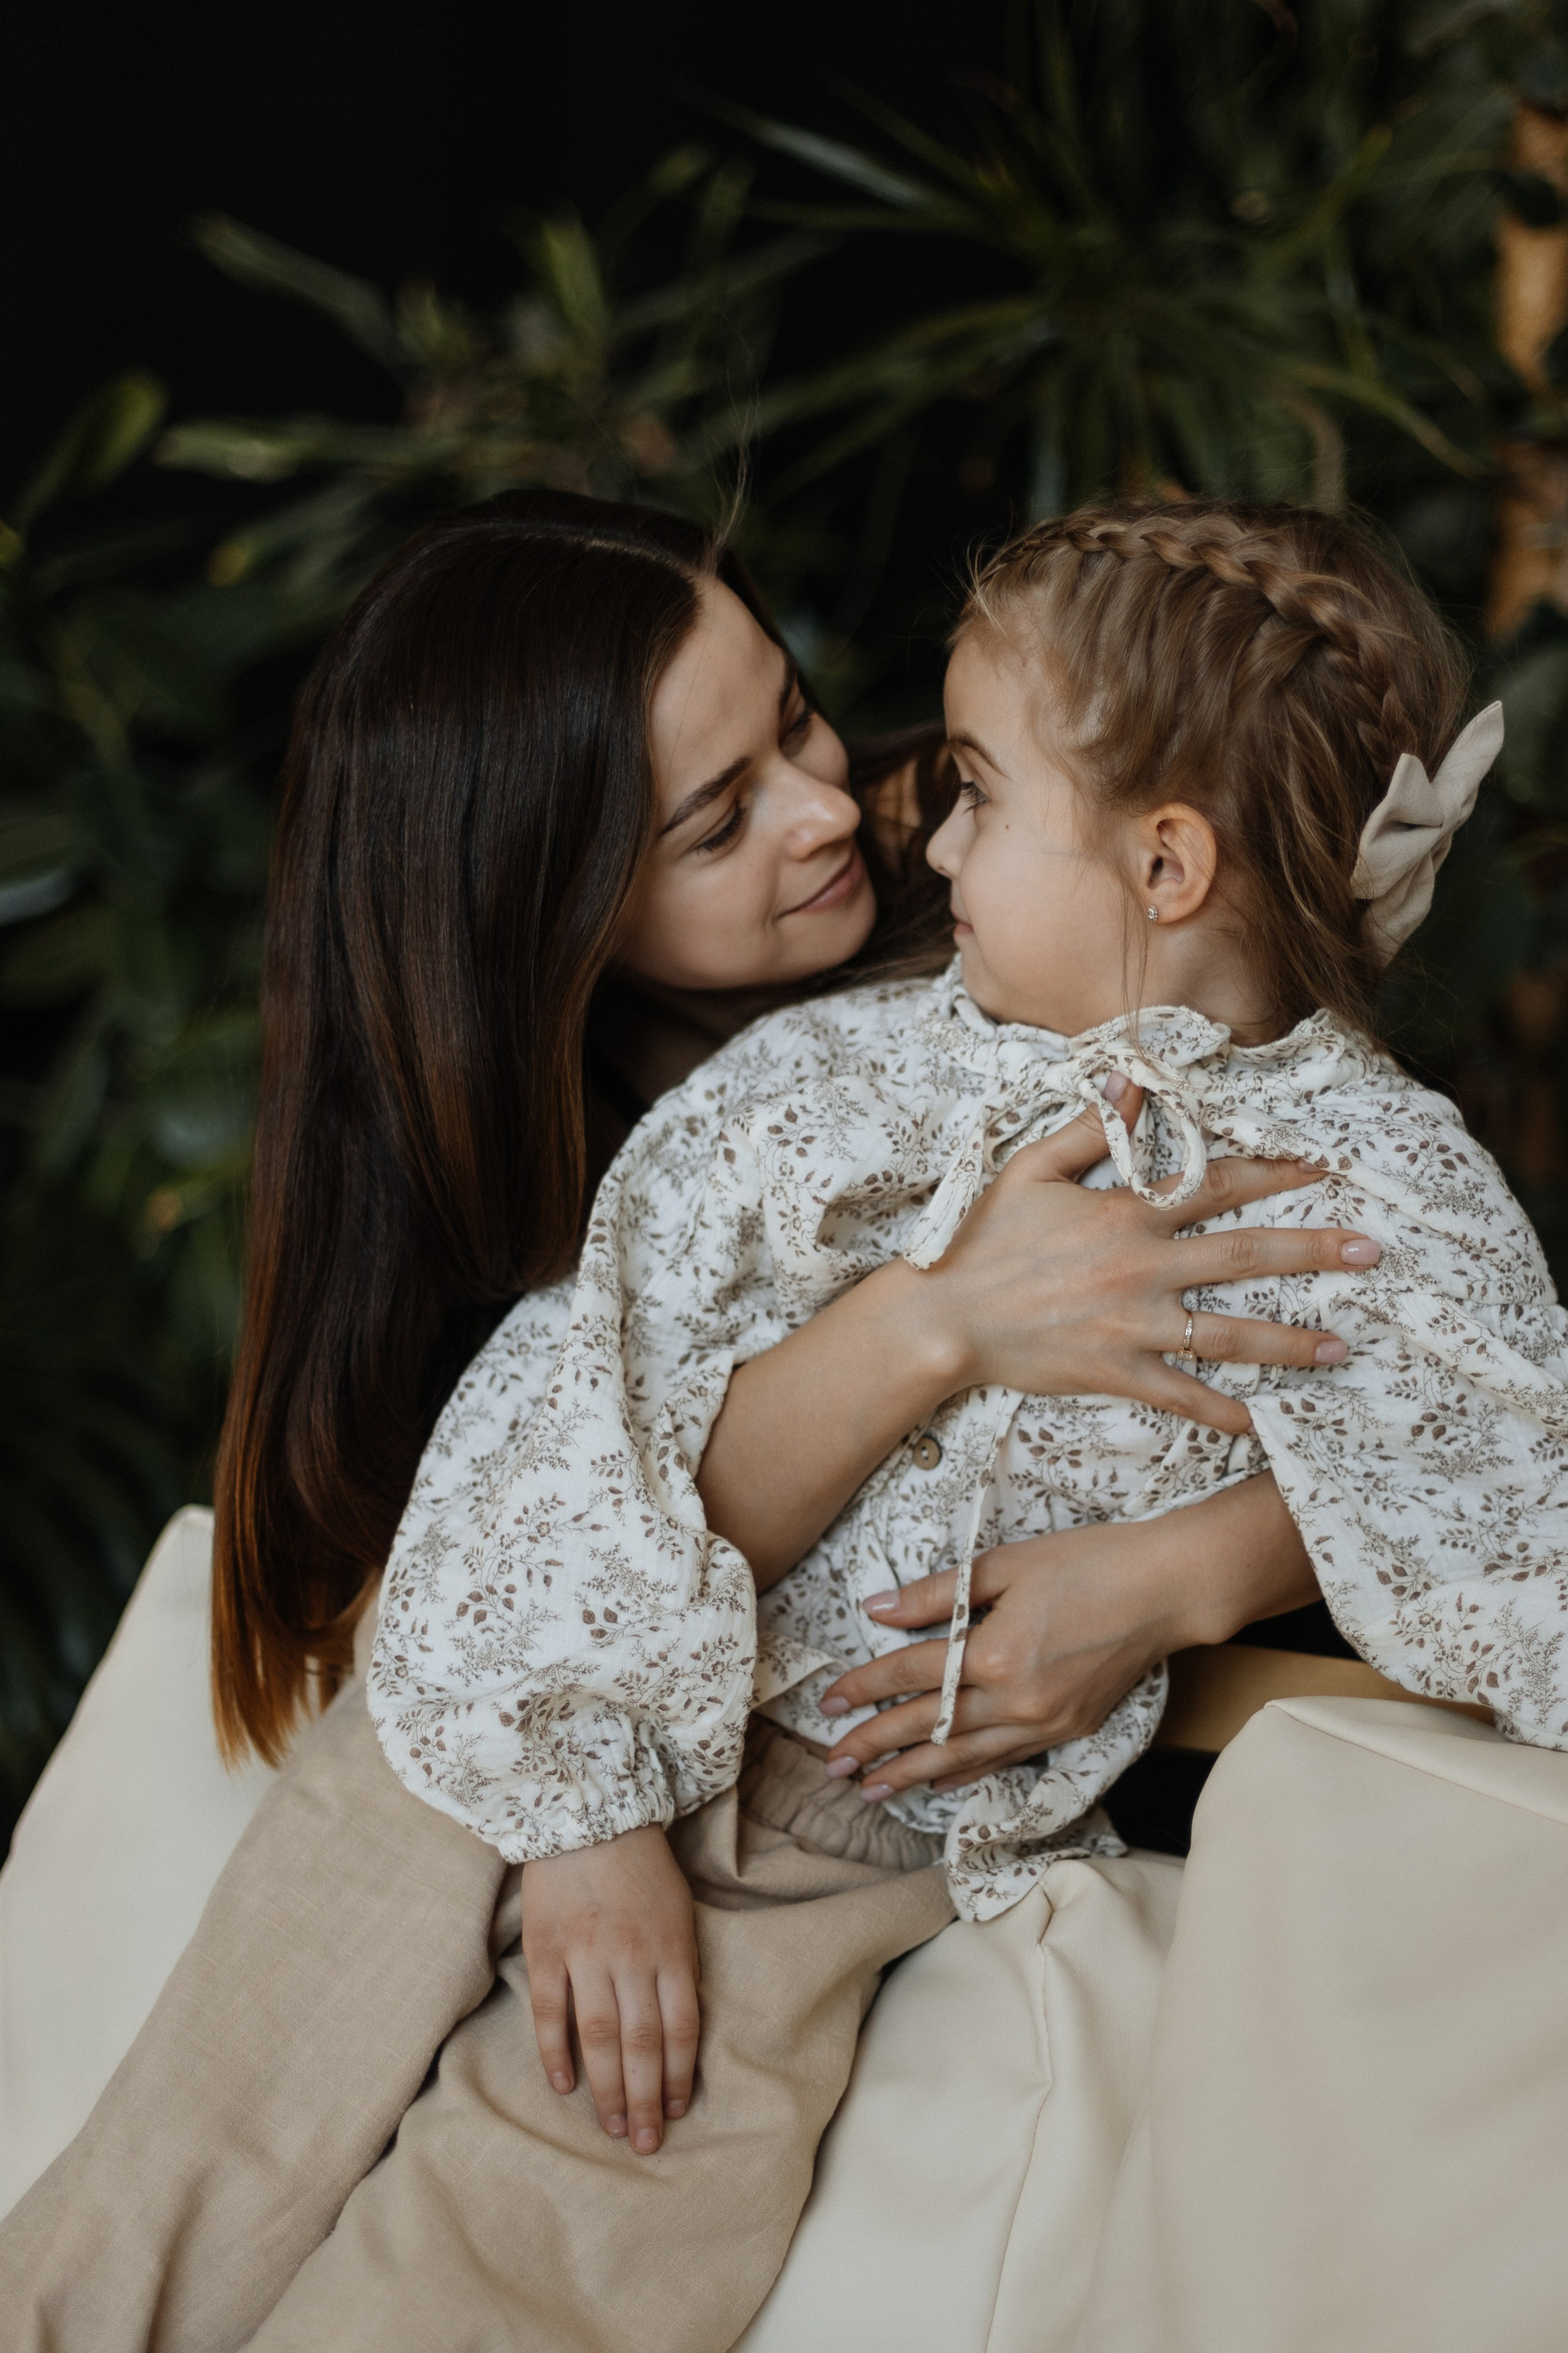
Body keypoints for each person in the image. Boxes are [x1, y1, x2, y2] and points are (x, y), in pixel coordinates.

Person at [0, 491, 1368, 2351]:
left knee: (587, 2160)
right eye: (717, 820)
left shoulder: (1021, 869)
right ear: (546, 914)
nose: (829, 810)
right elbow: (540, 1509)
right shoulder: (532, 1163)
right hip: (559, 1666)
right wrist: (937, 1325)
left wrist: (1174, 1579)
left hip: (858, 1754)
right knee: (285, 2000)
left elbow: (1385, 1321)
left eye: (795, 716)